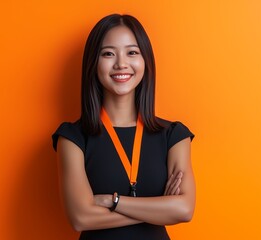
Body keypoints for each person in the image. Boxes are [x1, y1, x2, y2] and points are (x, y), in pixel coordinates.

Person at [52, 14, 195, 240]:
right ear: (93, 63)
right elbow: (80, 217)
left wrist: (112, 201)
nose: (121, 63)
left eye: (132, 52)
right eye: (108, 53)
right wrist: (160, 210)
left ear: (145, 60)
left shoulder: (174, 136)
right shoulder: (72, 138)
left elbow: (184, 209)